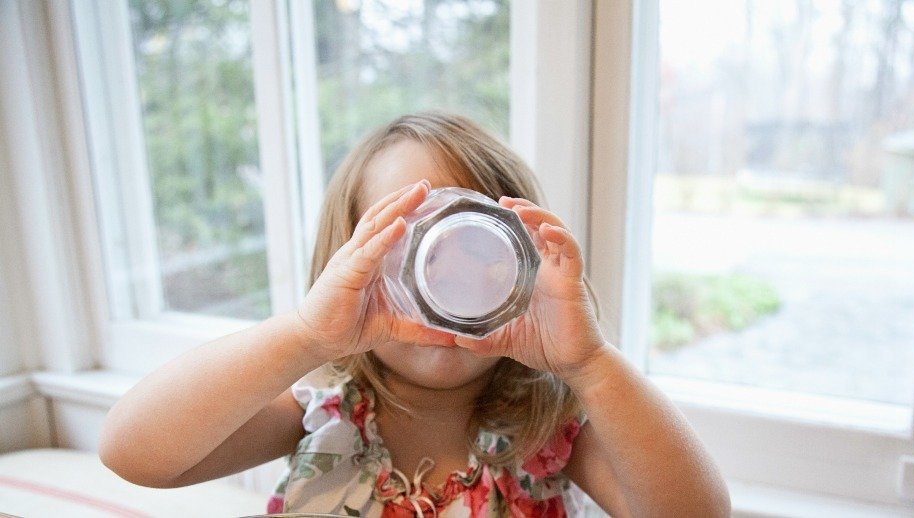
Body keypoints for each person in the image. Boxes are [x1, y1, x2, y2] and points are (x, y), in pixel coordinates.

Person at [99, 112, 730, 517]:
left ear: (525, 262)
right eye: (406, 244)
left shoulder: (553, 434)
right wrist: (305, 334)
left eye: (480, 247)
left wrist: (590, 364)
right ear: (344, 266)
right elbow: (134, 454)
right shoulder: (317, 417)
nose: (445, 282)